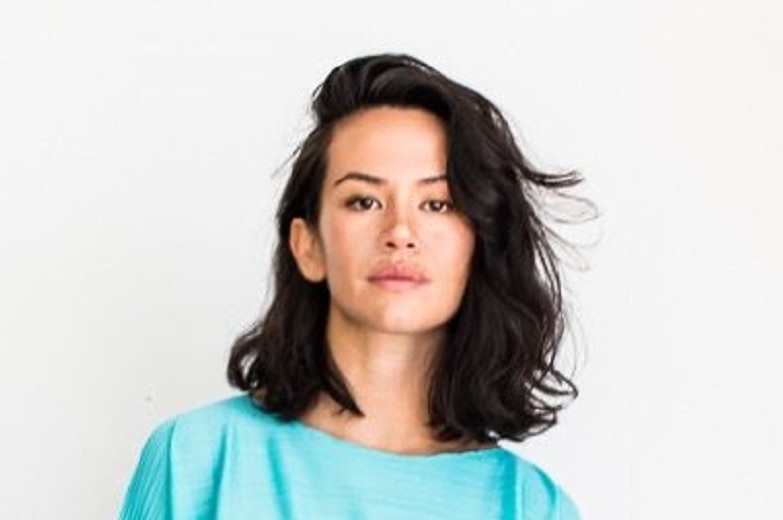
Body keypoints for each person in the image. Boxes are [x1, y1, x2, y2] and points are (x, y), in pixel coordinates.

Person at [120, 53, 585, 519]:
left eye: (438, 204)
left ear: (478, 245)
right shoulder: (195, 460)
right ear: (308, 245)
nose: (400, 231)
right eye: (363, 201)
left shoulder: (531, 507)